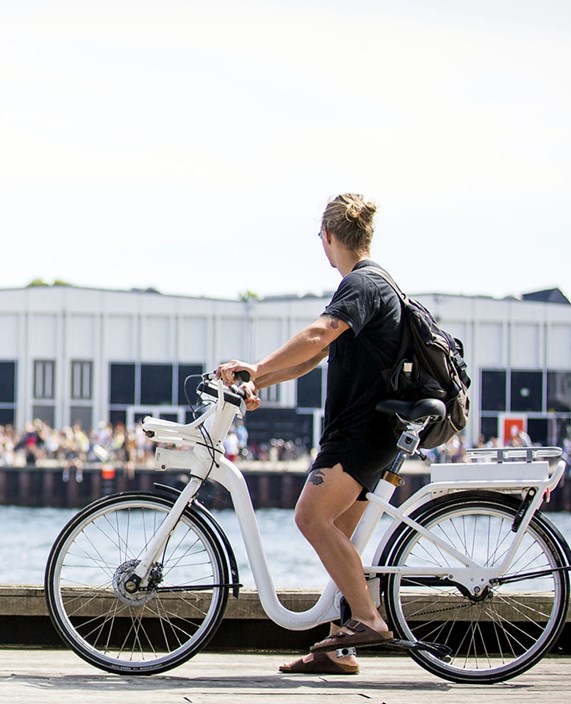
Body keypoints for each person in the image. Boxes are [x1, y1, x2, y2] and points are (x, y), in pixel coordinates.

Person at [218, 193, 402, 676]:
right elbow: (311, 359)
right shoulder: (367, 287)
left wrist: (256, 365)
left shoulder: (361, 285)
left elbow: (317, 336)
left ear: (327, 238)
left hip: (361, 433)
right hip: (367, 431)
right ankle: (339, 649)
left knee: (309, 518)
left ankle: (368, 620)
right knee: (339, 536)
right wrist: (257, 379)